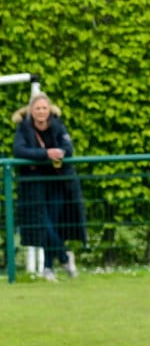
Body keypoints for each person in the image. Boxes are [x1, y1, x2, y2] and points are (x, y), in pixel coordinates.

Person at [12, 93, 87, 281]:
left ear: (49, 109)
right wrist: (46, 154)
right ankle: (64, 257)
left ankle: (48, 268)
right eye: (37, 108)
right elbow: (19, 150)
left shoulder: (58, 125)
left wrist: (59, 152)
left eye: (44, 108)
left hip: (57, 183)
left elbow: (68, 148)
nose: (41, 112)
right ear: (31, 110)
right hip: (35, 185)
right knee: (43, 223)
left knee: (52, 223)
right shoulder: (23, 128)